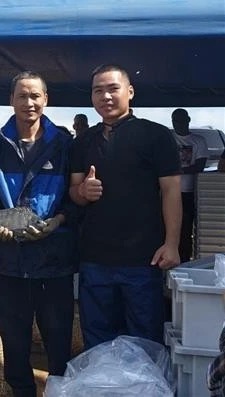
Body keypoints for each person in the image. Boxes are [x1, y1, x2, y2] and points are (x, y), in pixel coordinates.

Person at [0, 71, 77, 397]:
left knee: (58, 340)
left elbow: (76, 200)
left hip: (55, 260)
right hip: (9, 262)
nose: (29, 102)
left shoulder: (64, 146)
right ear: (11, 100)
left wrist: (59, 220)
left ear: (45, 100)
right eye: (22, 95)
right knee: (15, 341)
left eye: (36, 96)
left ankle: (60, 392)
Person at [69, 64, 181, 350]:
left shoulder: (156, 135)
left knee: (144, 340)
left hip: (143, 259)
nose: (105, 96)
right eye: (98, 90)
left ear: (129, 92)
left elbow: (170, 192)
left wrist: (172, 243)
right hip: (95, 258)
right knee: (97, 340)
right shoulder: (82, 142)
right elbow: (74, 191)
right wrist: (83, 191)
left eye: (112, 89)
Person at [171, 108, 208, 263]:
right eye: (175, 120)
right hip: (168, 192)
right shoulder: (168, 139)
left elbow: (199, 166)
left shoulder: (198, 141)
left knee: (186, 229)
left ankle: (184, 261)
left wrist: (174, 170)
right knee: (166, 229)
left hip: (189, 192)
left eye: (180, 120)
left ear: (188, 120)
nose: (177, 123)